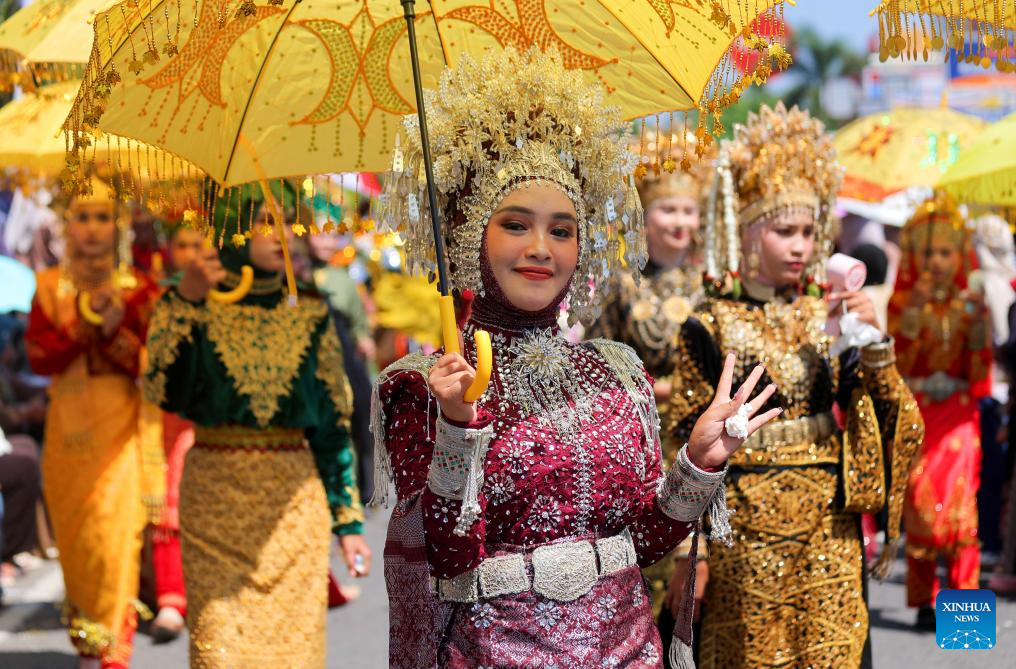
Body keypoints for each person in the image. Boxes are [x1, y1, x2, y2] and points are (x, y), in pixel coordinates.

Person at [373, 47, 781, 669]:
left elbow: (642, 543)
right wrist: (457, 424)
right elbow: (447, 560)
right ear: (468, 237)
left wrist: (697, 465)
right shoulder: (421, 388)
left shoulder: (616, 371)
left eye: (561, 230)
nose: (541, 248)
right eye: (516, 225)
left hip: (630, 651)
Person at [667, 103, 923, 669]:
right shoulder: (709, 322)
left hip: (828, 525)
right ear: (747, 231)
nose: (801, 246)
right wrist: (690, 551)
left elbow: (892, 422)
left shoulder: (831, 316)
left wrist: (873, 344)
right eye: (784, 231)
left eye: (809, 232)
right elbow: (681, 440)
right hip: (743, 527)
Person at [143, 181, 370, 668]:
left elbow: (331, 427)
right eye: (265, 221)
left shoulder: (311, 309)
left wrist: (348, 523)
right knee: (219, 653)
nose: (282, 234)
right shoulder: (192, 302)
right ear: (231, 225)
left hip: (294, 513)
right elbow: (162, 390)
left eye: (287, 221)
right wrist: (187, 301)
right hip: (215, 508)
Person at [25, 175, 162, 669]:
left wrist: (115, 331)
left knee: (114, 535)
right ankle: (88, 641)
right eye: (81, 216)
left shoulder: (138, 289)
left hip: (118, 431)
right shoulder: (47, 286)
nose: (91, 228)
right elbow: (39, 357)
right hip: (67, 432)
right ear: (66, 225)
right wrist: (86, 328)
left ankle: (113, 652)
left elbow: (150, 363)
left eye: (102, 216)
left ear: (118, 224)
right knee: (77, 542)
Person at [585, 132, 713, 655]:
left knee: (700, 595)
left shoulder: (712, 284)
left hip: (700, 438)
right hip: (638, 441)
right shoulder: (620, 283)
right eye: (668, 210)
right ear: (645, 215)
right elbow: (596, 363)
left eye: (688, 210)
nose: (680, 222)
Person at [891, 195, 992, 630]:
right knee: (920, 503)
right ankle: (926, 602)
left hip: (959, 417)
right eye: (928, 252)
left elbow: (980, 377)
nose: (936, 261)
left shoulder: (971, 305)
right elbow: (897, 365)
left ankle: (965, 618)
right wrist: (913, 313)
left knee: (961, 509)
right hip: (919, 417)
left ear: (960, 255)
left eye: (945, 252)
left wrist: (978, 329)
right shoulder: (903, 304)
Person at [147, 222, 204, 642]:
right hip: (155, 415)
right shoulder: (152, 296)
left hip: (205, 418)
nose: (189, 253)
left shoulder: (229, 295)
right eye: (181, 245)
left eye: (197, 244)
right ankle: (168, 599)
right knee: (161, 501)